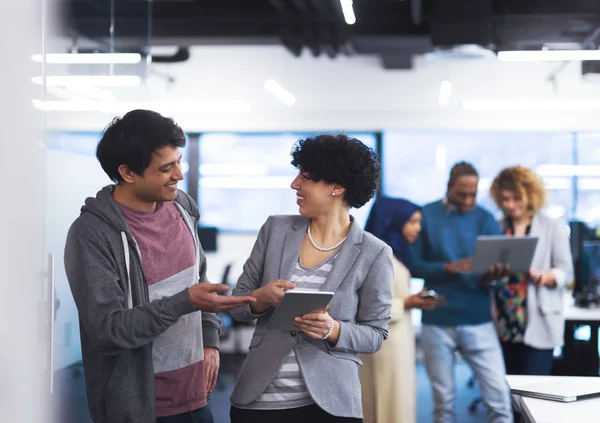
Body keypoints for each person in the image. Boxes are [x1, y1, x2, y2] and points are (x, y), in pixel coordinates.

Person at [64, 109, 255, 423]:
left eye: (179, 161)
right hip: (141, 406)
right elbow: (108, 330)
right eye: (166, 168)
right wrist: (185, 302)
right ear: (127, 173)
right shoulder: (92, 234)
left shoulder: (182, 206)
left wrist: (209, 341)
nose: (179, 175)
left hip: (196, 397)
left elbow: (200, 279)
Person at [228, 134, 394, 423]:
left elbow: (375, 335)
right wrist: (261, 297)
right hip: (260, 401)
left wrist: (333, 329)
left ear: (337, 187)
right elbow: (236, 306)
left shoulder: (374, 252)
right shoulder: (275, 230)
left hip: (330, 404)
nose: (295, 184)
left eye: (305, 177)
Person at [410, 161, 513, 423]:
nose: (468, 200)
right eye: (462, 194)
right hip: (438, 318)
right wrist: (447, 267)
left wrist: (495, 274)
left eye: (473, 194)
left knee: (499, 397)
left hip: (478, 317)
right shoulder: (427, 215)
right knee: (443, 402)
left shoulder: (485, 219)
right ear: (448, 188)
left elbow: (496, 267)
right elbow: (413, 265)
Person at [361, 197, 441, 423]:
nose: (418, 228)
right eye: (413, 222)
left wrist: (411, 300)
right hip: (385, 345)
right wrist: (408, 303)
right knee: (389, 406)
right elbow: (367, 306)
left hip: (397, 339)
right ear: (394, 222)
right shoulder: (379, 257)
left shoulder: (396, 253)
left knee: (398, 403)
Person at [490, 165, 573, 375]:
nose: (510, 205)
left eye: (516, 198)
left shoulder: (552, 227)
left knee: (534, 388)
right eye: (505, 199)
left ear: (530, 195)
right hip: (504, 318)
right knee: (509, 389)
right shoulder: (496, 227)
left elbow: (566, 272)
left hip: (538, 316)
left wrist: (545, 277)